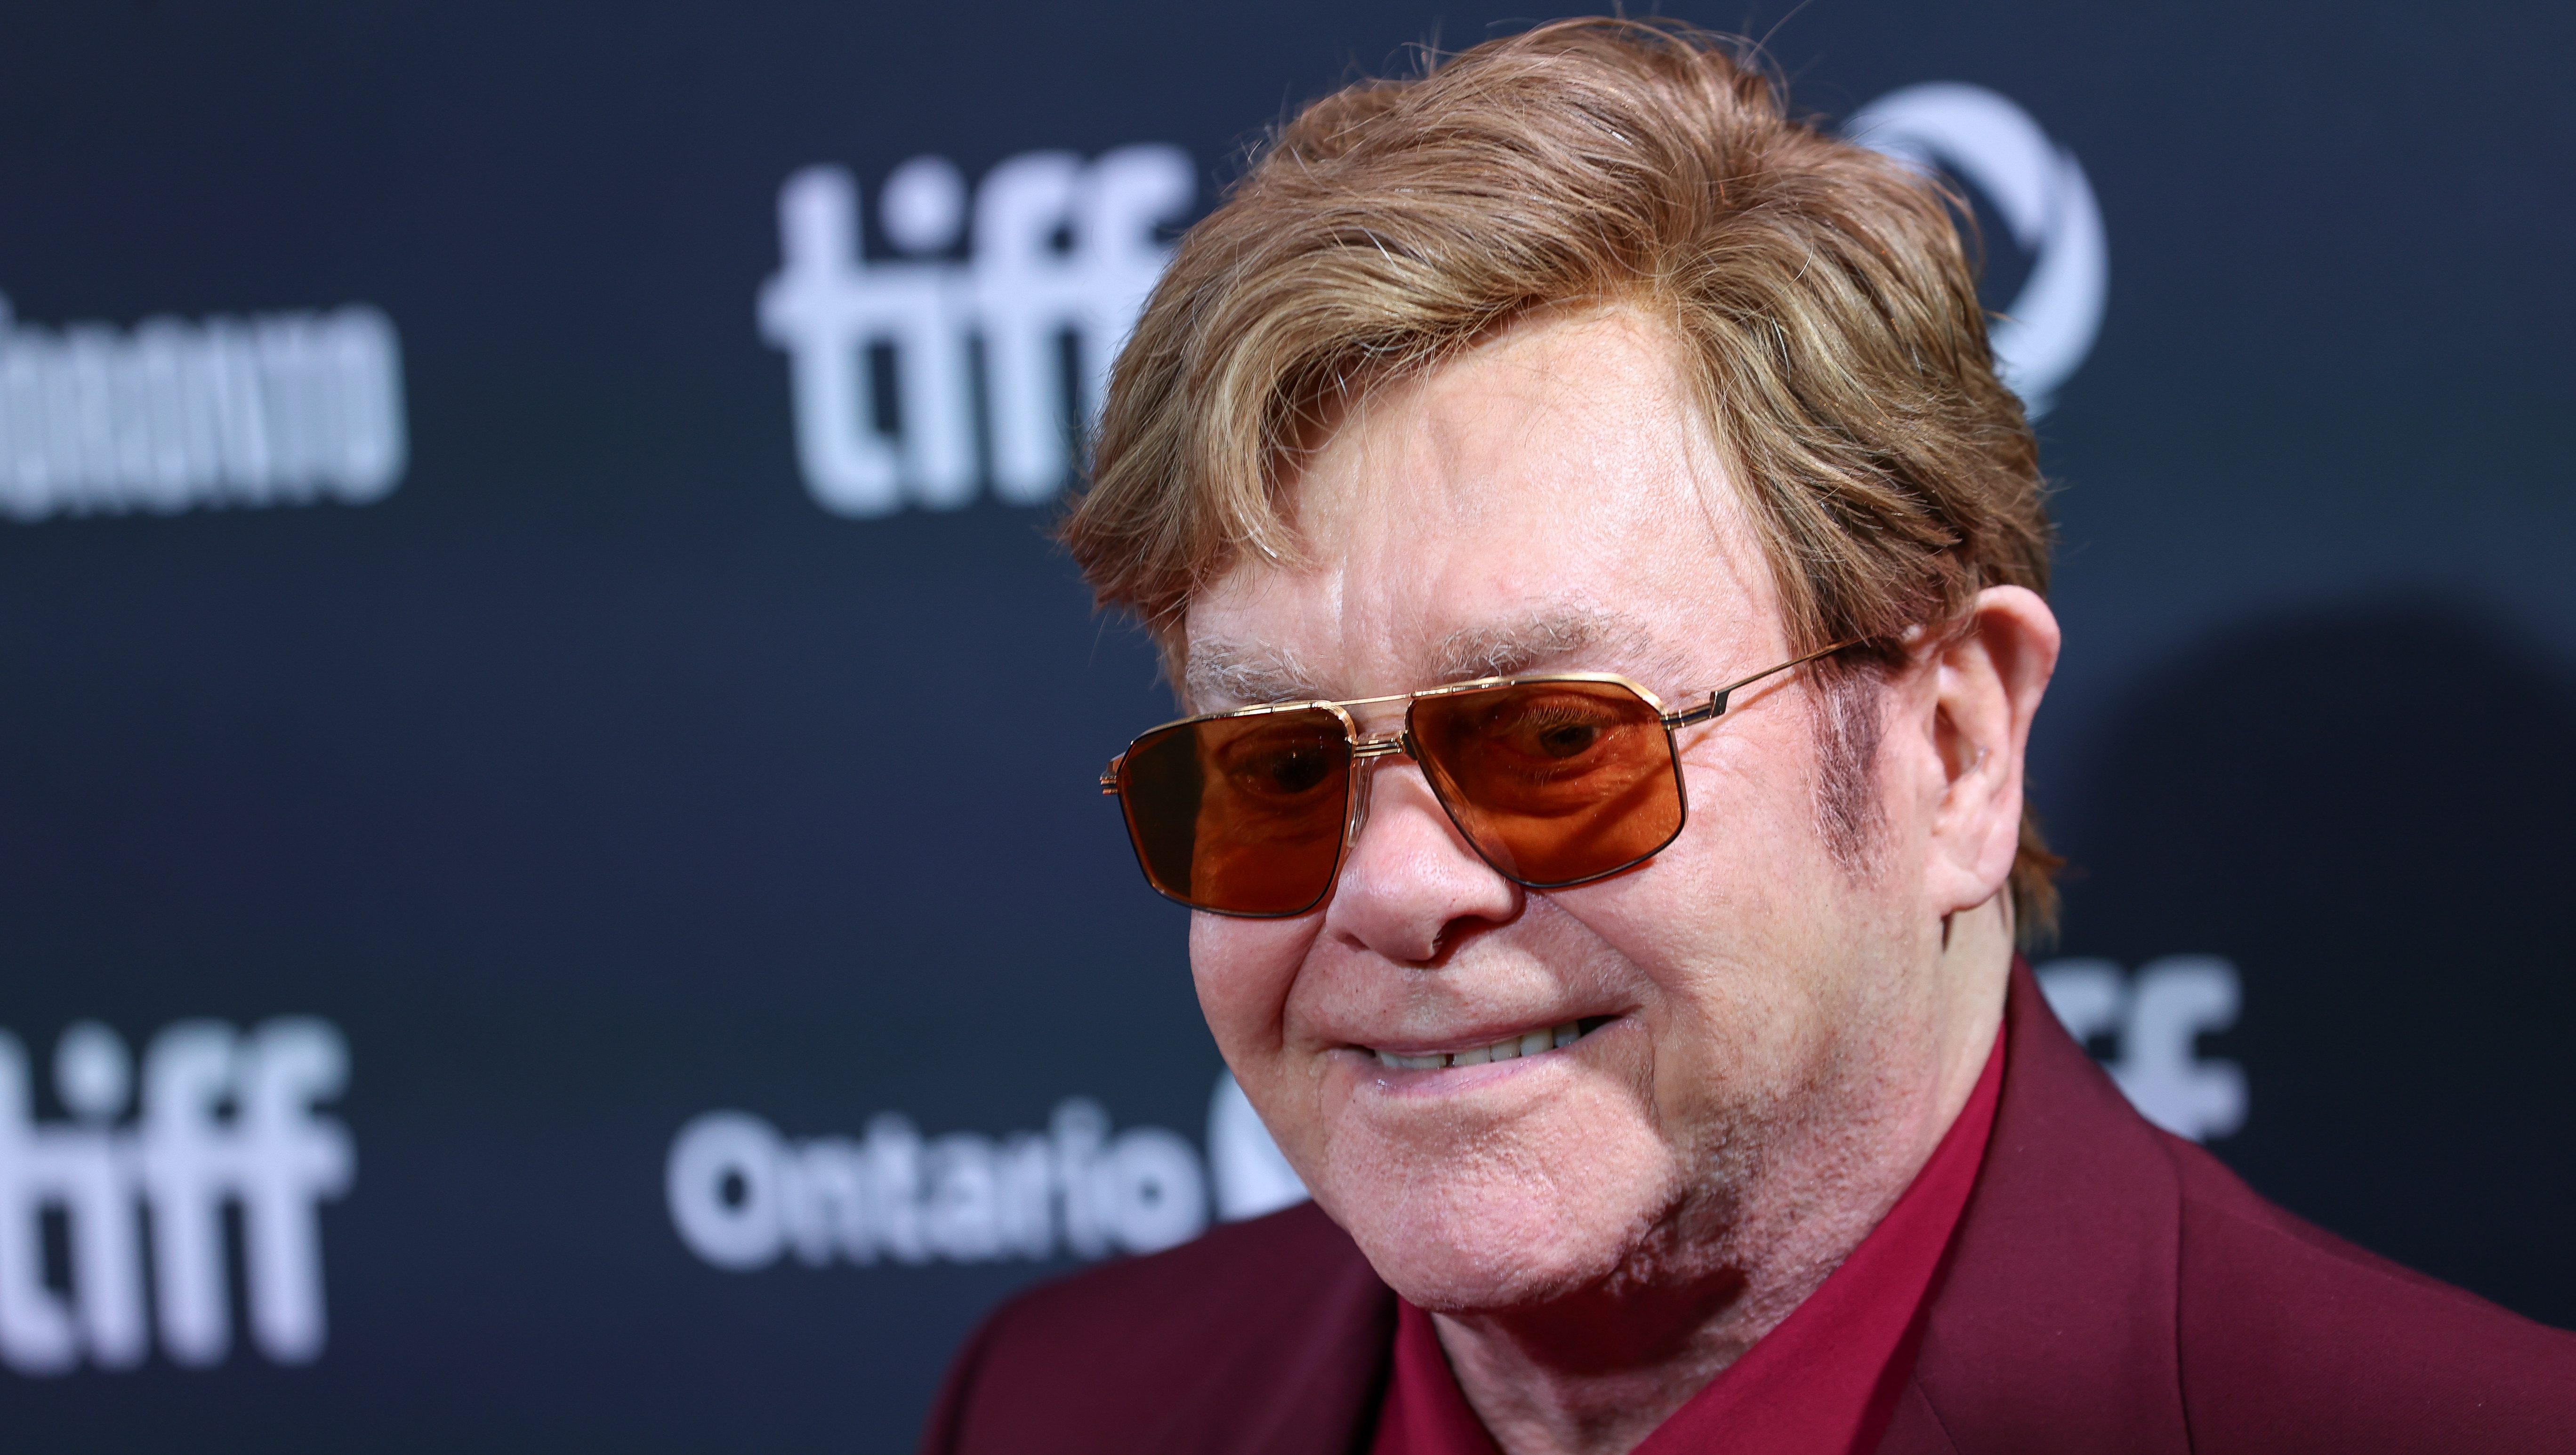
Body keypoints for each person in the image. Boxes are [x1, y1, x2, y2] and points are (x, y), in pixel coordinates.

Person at [921, 19, 2576, 1455]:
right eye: (1282, 765)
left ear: (1955, 747)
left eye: (1558, 738)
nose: (1397, 889)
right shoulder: (1057, 1405)